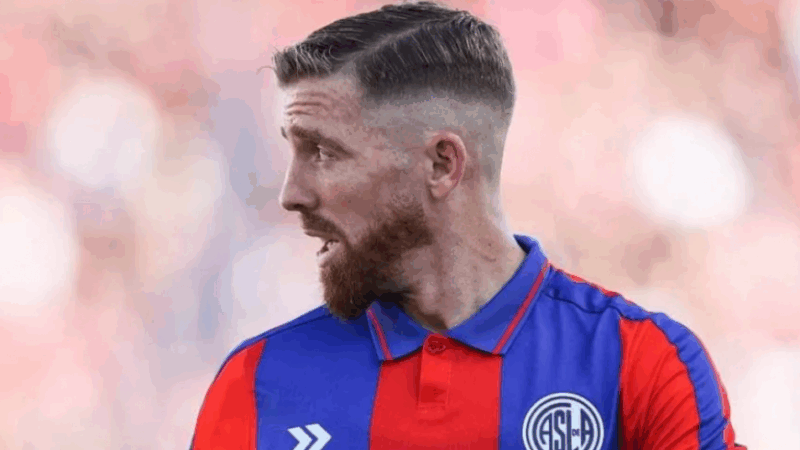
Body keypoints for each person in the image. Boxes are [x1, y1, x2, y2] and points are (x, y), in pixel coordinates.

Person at [191, 2, 746, 449]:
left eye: (323, 153)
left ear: (441, 165)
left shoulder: (641, 364)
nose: (291, 194)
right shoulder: (258, 380)